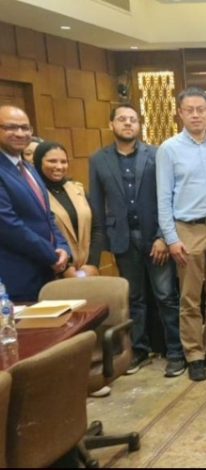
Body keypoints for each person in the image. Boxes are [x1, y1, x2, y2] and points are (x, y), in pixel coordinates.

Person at [89, 104, 185, 378]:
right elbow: (96, 204)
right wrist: (101, 244)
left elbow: (169, 197)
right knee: (134, 298)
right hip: (123, 238)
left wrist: (163, 236)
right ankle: (140, 350)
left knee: (166, 296)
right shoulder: (99, 160)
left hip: (155, 237)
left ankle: (175, 351)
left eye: (133, 119)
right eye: (122, 119)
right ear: (112, 125)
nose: (128, 123)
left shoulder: (156, 154)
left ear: (139, 125)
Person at [157, 87, 206, 381]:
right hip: (186, 230)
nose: (196, 115)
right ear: (180, 113)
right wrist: (171, 239)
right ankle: (194, 355)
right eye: (189, 110)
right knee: (189, 298)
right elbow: (163, 198)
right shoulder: (169, 149)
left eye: (201, 109)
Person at [0, 105, 69, 301]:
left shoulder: (29, 168)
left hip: (44, 273)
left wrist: (63, 247)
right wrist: (51, 255)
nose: (20, 133)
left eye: (25, 128)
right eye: (11, 127)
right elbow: (8, 226)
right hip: (15, 276)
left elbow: (47, 216)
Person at [33, 141, 102, 279]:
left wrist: (92, 264)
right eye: (52, 161)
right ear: (38, 162)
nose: (59, 166)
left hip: (87, 270)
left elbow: (97, 228)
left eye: (63, 162)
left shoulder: (77, 188)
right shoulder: (34, 193)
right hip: (54, 271)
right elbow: (38, 235)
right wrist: (65, 268)